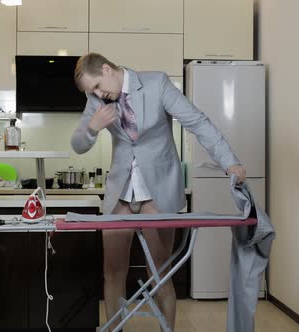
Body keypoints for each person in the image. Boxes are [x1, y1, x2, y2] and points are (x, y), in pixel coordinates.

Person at [71, 53, 246, 331]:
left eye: (96, 86)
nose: (97, 94)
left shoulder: (157, 84)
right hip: (121, 194)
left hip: (158, 190)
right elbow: (78, 143)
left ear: (106, 69)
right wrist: (92, 128)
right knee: (112, 271)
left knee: (160, 272)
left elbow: (198, 122)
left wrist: (230, 162)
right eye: (92, 92)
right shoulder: (97, 100)